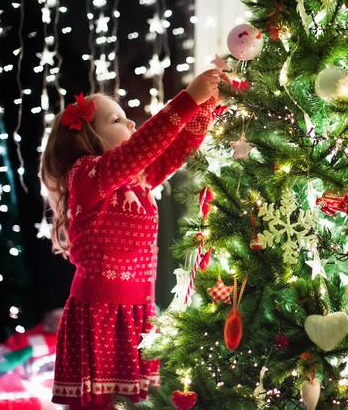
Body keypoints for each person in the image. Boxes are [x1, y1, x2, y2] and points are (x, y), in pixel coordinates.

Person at [40, 69, 226, 409]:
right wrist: (188, 99)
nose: (131, 125)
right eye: (117, 120)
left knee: (137, 403)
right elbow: (142, 147)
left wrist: (209, 106)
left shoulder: (137, 179)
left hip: (138, 312)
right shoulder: (86, 174)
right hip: (100, 316)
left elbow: (178, 147)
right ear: (89, 139)